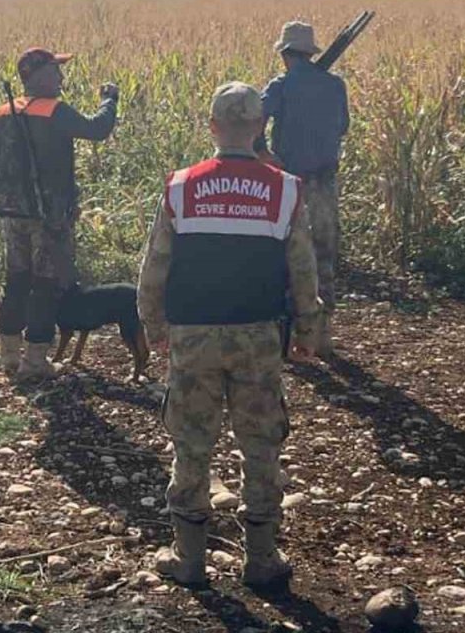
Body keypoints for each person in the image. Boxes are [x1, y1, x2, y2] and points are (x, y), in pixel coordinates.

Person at [139, 82, 322, 589]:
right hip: (259, 336)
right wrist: (307, 328)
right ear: (260, 126)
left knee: (191, 442)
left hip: (192, 334)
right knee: (261, 444)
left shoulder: (180, 186)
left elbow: (155, 266)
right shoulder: (286, 188)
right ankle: (261, 560)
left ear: (214, 125)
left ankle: (189, 560)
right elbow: (302, 269)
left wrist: (154, 325)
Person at [0, 48, 119, 381]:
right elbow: (97, 130)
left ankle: (8, 353)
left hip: (12, 217)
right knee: (45, 286)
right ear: (37, 76)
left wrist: (8, 195)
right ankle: (35, 362)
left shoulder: (3, 112)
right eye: (55, 70)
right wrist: (110, 100)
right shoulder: (56, 112)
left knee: (16, 282)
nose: (61, 77)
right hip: (51, 220)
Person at [258, 21, 349, 358]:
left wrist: (264, 153)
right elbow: (342, 128)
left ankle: (288, 335)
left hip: (290, 184)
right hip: (325, 182)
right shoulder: (335, 85)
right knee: (323, 254)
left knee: (288, 256)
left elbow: (254, 120)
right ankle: (322, 335)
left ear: (284, 53)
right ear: (310, 53)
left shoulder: (281, 85)